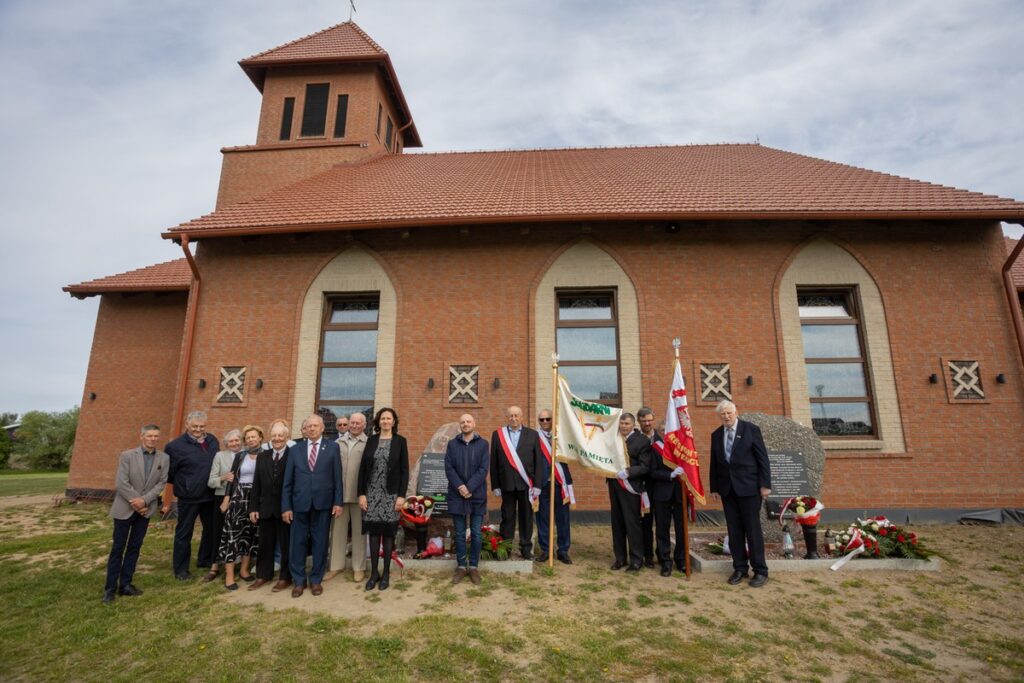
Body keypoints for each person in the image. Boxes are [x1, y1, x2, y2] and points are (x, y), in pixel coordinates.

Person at [103, 424, 169, 603]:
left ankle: (125, 585)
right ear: (142, 436)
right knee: (118, 548)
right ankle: (110, 588)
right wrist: (137, 503)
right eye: (149, 436)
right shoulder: (127, 456)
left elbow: (161, 483)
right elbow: (121, 482)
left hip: (145, 511)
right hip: (124, 509)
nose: (153, 439)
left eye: (156, 436)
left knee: (134, 548)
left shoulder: (164, 458)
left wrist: (145, 501)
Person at [709, 400, 772, 588]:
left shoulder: (750, 429)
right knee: (734, 531)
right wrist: (714, 487)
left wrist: (765, 484)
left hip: (749, 488)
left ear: (736, 412)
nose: (726, 416)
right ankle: (740, 568)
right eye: (723, 414)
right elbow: (714, 463)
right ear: (719, 416)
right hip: (728, 490)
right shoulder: (716, 435)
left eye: (729, 413)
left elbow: (762, 458)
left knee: (752, 530)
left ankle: (760, 570)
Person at [282, 414, 343, 597]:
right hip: (299, 504)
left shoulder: (332, 448)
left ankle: (316, 580)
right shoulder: (295, 449)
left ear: (322, 428)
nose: (312, 428)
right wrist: (286, 507)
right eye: (309, 426)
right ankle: (299, 581)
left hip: (323, 503)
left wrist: (338, 502)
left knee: (320, 543)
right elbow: (287, 481)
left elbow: (337, 477)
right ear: (305, 429)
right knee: (297, 543)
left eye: (316, 426)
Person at [162, 411, 220, 580]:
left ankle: (205, 559)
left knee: (210, 529)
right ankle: (181, 569)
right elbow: (169, 473)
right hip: (189, 497)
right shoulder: (174, 447)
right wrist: (187, 484)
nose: (198, 430)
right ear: (187, 425)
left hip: (210, 495)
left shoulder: (212, 441)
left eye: (201, 426)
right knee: (184, 533)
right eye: (194, 426)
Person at [358, 407, 409, 591]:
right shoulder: (371, 440)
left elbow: (404, 470)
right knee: (373, 534)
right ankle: (374, 574)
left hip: (391, 494)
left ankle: (386, 574)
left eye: (389, 418)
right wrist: (361, 494)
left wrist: (401, 496)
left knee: (388, 535)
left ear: (394, 422)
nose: (385, 421)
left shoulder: (400, 441)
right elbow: (363, 469)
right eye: (382, 418)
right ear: (378, 422)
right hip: (371, 493)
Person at [489, 405, 542, 559]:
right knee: (507, 517)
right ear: (507, 417)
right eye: (511, 415)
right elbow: (494, 462)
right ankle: (505, 549)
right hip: (506, 483)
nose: (513, 418)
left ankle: (525, 548)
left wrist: (538, 484)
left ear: (522, 417)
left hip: (527, 484)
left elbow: (538, 461)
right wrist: (495, 485)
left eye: (516, 415)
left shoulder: (532, 434)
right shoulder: (498, 435)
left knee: (526, 517)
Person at [445, 413, 489, 585]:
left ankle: (474, 567)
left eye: (468, 421)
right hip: (457, 494)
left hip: (477, 495)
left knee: (476, 533)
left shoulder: (483, 444)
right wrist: (460, 487)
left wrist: (469, 487)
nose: (465, 424)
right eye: (462, 422)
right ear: (460, 425)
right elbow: (449, 467)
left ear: (474, 423)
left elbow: (483, 469)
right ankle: (462, 566)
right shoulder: (452, 444)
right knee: (460, 533)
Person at [248, 419, 292, 591]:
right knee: (265, 543)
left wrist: (290, 507)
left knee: (286, 544)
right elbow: (256, 484)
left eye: (280, 435)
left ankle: (285, 577)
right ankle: (263, 575)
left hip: (286, 509)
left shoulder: (294, 455)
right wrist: (253, 507)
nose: (277, 438)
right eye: (274, 435)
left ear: (287, 436)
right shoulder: (262, 456)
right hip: (265, 508)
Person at [217, 425, 262, 590]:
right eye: (247, 437)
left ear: (260, 438)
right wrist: (226, 499)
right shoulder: (240, 455)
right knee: (233, 534)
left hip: (256, 498)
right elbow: (231, 479)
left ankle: (244, 570)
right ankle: (229, 575)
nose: (250, 439)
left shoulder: (266, 455)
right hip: (238, 497)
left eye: (253, 436)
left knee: (250, 534)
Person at [328, 411, 368, 582]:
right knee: (337, 532)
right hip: (340, 496)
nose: (354, 425)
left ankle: (359, 567)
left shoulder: (369, 443)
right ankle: (335, 566)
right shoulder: (338, 443)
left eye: (358, 423)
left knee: (359, 533)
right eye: (352, 422)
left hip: (359, 495)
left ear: (364, 425)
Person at [609, 413, 652, 572]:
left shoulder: (642, 441)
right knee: (617, 523)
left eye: (626, 423)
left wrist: (628, 472)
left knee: (632, 524)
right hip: (614, 485)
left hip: (631, 487)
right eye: (621, 423)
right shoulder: (614, 438)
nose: (623, 426)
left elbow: (645, 466)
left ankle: (636, 560)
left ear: (633, 424)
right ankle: (620, 558)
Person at [646, 413, 687, 577]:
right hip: (662, 493)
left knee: (681, 528)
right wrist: (670, 475)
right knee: (662, 528)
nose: (666, 432)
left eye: (668, 430)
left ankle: (681, 560)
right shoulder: (654, 448)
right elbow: (652, 472)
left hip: (680, 493)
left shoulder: (682, 448)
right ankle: (665, 561)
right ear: (658, 432)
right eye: (663, 430)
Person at [534, 408, 573, 564]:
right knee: (543, 519)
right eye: (541, 419)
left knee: (563, 519)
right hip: (542, 484)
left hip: (560, 484)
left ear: (552, 419)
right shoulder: (534, 437)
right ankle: (545, 549)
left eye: (548, 419)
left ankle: (563, 550)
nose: (545, 422)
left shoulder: (561, 436)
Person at [204, 428, 242, 583]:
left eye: (237, 440)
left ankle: (237, 563)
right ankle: (214, 565)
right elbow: (211, 481)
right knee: (218, 531)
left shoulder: (247, 455)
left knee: (238, 532)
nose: (234, 443)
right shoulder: (220, 456)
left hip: (241, 498)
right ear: (226, 444)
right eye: (231, 441)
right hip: (221, 498)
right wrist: (223, 478)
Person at [636, 407, 658, 568]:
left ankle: (662, 554)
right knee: (645, 523)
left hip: (660, 486)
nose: (647, 423)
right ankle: (648, 555)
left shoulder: (661, 437)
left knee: (662, 523)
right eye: (643, 421)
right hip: (642, 487)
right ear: (639, 421)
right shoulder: (635, 439)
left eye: (649, 420)